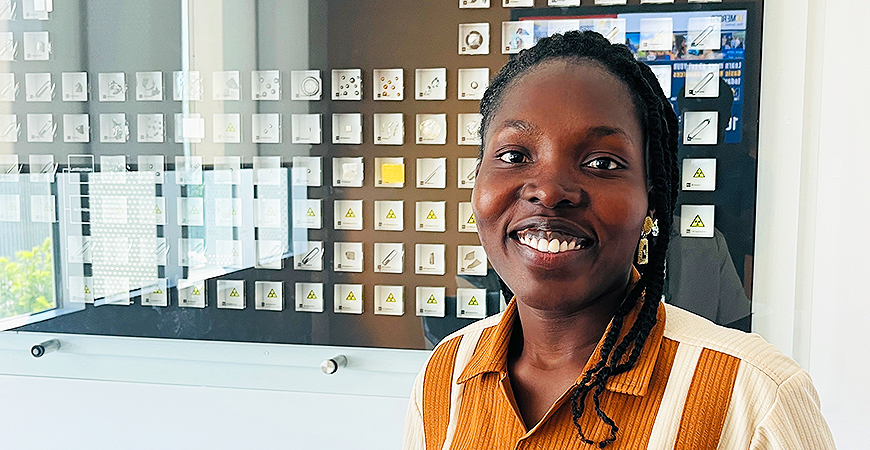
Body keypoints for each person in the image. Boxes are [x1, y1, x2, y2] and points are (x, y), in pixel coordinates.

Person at [402, 31, 834, 449]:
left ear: (651, 199)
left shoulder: (755, 396)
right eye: (514, 156)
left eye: (602, 162)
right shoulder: (446, 373)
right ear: (478, 180)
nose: (550, 191)